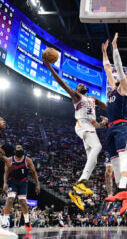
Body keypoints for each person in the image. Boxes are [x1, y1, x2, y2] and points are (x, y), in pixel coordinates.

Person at [43, 57, 107, 211]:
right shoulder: (77, 97)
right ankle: (81, 183)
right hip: (81, 125)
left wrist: (104, 123)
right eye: (78, 85)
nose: (81, 84)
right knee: (97, 147)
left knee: (94, 160)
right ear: (77, 90)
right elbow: (62, 83)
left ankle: (75, 192)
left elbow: (99, 117)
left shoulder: (92, 99)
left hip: (89, 127)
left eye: (82, 84)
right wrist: (50, 67)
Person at [102, 33, 127, 215]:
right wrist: (104, 52)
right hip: (110, 128)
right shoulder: (113, 89)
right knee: (114, 162)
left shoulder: (125, 88)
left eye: (123, 77)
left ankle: (124, 191)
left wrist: (115, 48)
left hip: (122, 126)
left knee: (123, 157)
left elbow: (118, 68)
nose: (117, 78)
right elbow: (108, 69)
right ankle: (119, 192)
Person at [2, 145, 40, 232]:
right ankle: (4, 222)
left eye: (20, 148)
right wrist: (5, 183)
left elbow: (34, 173)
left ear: (23, 150)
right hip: (13, 181)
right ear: (15, 150)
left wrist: (37, 184)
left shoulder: (27, 160)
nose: (19, 149)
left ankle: (27, 222)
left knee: (22, 202)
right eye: (17, 148)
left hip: (23, 182)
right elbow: (6, 173)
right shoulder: (10, 160)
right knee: (10, 199)